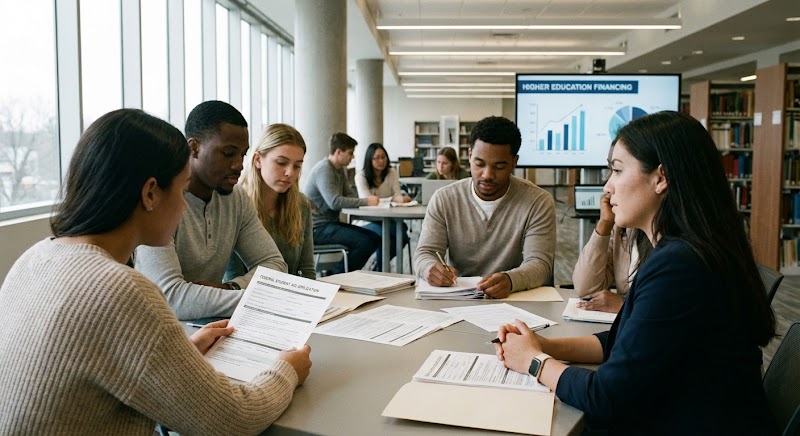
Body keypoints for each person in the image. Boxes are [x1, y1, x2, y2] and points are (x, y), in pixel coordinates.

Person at [0, 109, 311, 434]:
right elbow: (233, 419)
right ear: (150, 193)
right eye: (180, 190)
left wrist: (182, 354)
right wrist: (286, 370)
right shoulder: (121, 290)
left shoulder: (35, 257)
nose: (184, 206)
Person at [495, 111, 776, 433]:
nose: (608, 187)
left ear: (661, 178)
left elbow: (607, 397)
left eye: (616, 170)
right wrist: (544, 346)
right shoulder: (685, 250)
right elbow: (622, 344)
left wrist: (534, 362)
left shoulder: (680, 266)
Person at [136, 101, 287, 320]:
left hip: (212, 327)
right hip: (160, 331)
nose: (239, 165)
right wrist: (269, 300)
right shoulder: (160, 200)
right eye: (228, 153)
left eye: (243, 155)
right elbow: (169, 298)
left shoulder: (237, 198)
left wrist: (231, 288)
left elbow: (275, 266)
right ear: (194, 148)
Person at [413, 116, 556, 298]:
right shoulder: (444, 199)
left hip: (517, 299)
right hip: (461, 297)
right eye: (479, 164)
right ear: (470, 155)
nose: (487, 175)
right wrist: (429, 268)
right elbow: (424, 253)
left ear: (514, 162)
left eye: (499, 166)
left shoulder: (537, 202)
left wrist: (511, 280)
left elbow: (540, 264)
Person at [228, 123, 315, 279]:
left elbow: (307, 270)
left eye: (297, 166)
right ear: (257, 160)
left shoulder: (301, 204)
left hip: (291, 298)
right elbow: (232, 279)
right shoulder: (235, 203)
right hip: (244, 299)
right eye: (281, 163)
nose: (290, 172)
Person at [303, 132, 381, 273]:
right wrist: (367, 202)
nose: (353, 157)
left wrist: (362, 200)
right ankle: (336, 276)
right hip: (316, 228)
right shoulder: (324, 169)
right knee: (365, 242)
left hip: (329, 224)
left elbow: (349, 194)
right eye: (350, 153)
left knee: (375, 238)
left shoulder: (339, 169)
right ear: (338, 152)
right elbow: (335, 202)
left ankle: (338, 273)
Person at [571, 192, 643, 313]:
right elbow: (586, 289)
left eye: (618, 172)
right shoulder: (622, 228)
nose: (607, 187)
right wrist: (605, 223)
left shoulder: (676, 242)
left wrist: (623, 304)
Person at [355, 142, 411, 271]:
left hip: (390, 219)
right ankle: (381, 268)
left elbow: (398, 196)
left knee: (401, 235)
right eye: (376, 158)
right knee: (393, 234)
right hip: (368, 220)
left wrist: (394, 199)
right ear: (369, 160)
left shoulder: (391, 172)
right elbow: (368, 201)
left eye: (383, 157)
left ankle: (379, 267)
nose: (381, 161)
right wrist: (391, 199)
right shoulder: (361, 177)